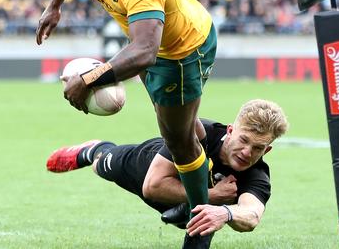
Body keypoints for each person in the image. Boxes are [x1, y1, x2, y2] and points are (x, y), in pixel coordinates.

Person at [36, 0, 216, 248]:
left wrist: (88, 80)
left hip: (179, 50)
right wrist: (55, 3)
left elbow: (145, 53)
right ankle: (204, 180)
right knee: (183, 127)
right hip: (154, 43)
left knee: (178, 140)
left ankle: (200, 225)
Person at [46, 99, 289, 238]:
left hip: (186, 204)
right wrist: (213, 197)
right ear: (230, 131)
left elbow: (252, 215)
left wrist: (224, 212)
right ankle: (93, 149)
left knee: (201, 219)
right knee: (101, 164)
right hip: (149, 165)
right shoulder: (198, 133)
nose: (247, 153)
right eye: (244, 141)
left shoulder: (257, 174)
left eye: (257, 148)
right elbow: (153, 186)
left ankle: (187, 211)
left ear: (266, 151)